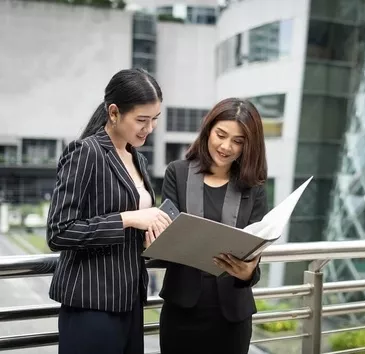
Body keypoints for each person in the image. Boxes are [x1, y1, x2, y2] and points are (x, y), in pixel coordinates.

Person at [46, 68, 172, 354]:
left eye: (154, 120)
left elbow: (132, 233)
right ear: (114, 113)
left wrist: (151, 237)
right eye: (142, 120)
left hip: (130, 302)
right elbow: (59, 232)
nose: (149, 128)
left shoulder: (137, 157)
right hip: (91, 306)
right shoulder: (86, 152)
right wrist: (128, 219)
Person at [149, 97, 268, 354]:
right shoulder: (177, 173)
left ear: (249, 146)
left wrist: (247, 272)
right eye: (221, 135)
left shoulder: (254, 189)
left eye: (238, 141)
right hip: (182, 310)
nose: (226, 147)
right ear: (208, 129)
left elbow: (254, 259)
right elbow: (167, 235)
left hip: (232, 316)